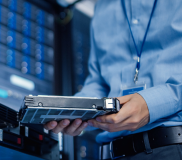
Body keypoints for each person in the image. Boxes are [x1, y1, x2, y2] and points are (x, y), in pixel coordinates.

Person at [44, 0, 182, 159]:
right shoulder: (102, 6)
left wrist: (151, 104)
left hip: (171, 147)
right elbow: (98, 82)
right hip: (111, 153)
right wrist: (73, 111)